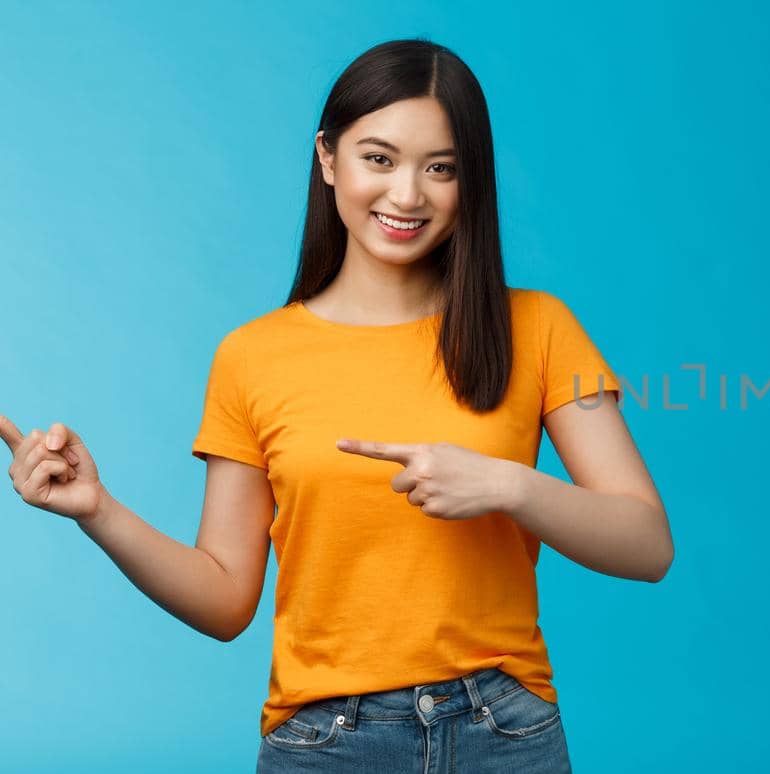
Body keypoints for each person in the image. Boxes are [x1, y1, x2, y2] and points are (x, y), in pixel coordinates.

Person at [0, 38, 672, 773]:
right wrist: (98, 510)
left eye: (440, 168)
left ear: (469, 181)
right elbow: (226, 600)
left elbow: (647, 545)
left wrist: (507, 485)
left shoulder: (538, 329)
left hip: (504, 733)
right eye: (378, 158)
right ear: (328, 158)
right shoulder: (253, 356)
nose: (407, 195)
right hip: (326, 743)